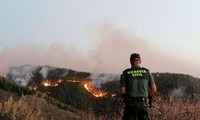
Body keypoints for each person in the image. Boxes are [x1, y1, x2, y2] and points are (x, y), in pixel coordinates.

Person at [120, 53, 157, 120]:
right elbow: (154, 90)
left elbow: (122, 91)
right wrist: (147, 97)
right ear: (140, 61)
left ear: (130, 61)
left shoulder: (125, 73)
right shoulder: (147, 72)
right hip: (143, 104)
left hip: (130, 105)